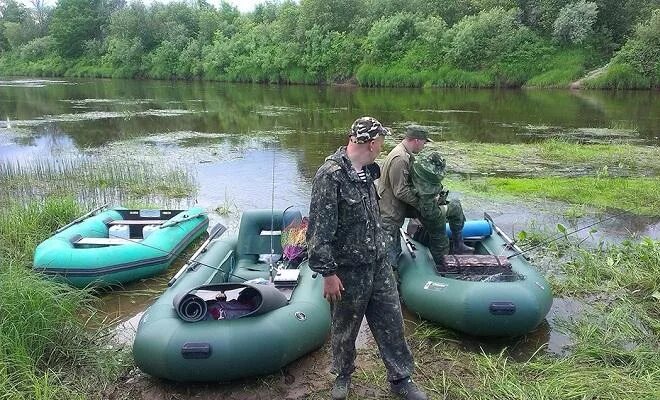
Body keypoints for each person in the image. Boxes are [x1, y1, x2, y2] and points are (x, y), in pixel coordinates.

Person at [306, 117, 427, 400]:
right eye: (381, 143)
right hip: (347, 271)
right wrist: (328, 274)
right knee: (345, 327)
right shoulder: (330, 175)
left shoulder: (367, 172)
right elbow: (318, 232)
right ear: (372, 144)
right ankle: (343, 375)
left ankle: (401, 378)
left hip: (378, 263)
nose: (383, 148)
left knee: (392, 321)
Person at [378, 125, 432, 266]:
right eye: (424, 142)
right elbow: (400, 191)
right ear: (416, 141)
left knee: (394, 253)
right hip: (388, 215)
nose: (424, 146)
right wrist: (421, 204)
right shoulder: (400, 158)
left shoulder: (403, 154)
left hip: (392, 213)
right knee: (389, 261)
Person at [411, 150, 473, 265]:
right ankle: (441, 264)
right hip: (430, 212)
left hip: (422, 207)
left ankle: (458, 245)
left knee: (456, 206)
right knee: (440, 238)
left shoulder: (418, 169)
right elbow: (430, 196)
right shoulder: (430, 176)